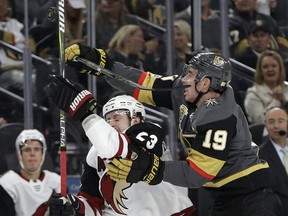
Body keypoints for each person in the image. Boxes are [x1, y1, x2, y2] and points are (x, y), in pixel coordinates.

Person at [63, 43, 282, 215]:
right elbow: (142, 84)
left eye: (190, 74)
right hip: (223, 196)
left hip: (252, 198)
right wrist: (103, 66)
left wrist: (152, 168)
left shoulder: (220, 116)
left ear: (205, 83)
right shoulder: (185, 91)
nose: (183, 78)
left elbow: (198, 174)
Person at [47, 82, 195, 215]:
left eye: (117, 118)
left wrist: (85, 113)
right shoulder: (95, 155)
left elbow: (119, 149)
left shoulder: (151, 131)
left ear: (136, 118)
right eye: (107, 119)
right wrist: (75, 207)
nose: (110, 124)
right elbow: (94, 205)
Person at [0, 129, 61, 215]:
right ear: (19, 154)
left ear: (43, 153)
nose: (32, 154)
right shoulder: (6, 184)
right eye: (27, 149)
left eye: (37, 149)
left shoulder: (57, 182)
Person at [244, 50, 288, 124]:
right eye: (265, 67)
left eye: (274, 66)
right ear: (260, 71)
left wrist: (284, 101)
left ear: (280, 69)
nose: (270, 69)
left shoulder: (286, 88)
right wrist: (276, 100)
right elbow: (260, 122)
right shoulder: (253, 94)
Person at [258, 106, 288, 216]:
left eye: (280, 121)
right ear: (265, 125)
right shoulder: (260, 156)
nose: (276, 126)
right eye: (271, 122)